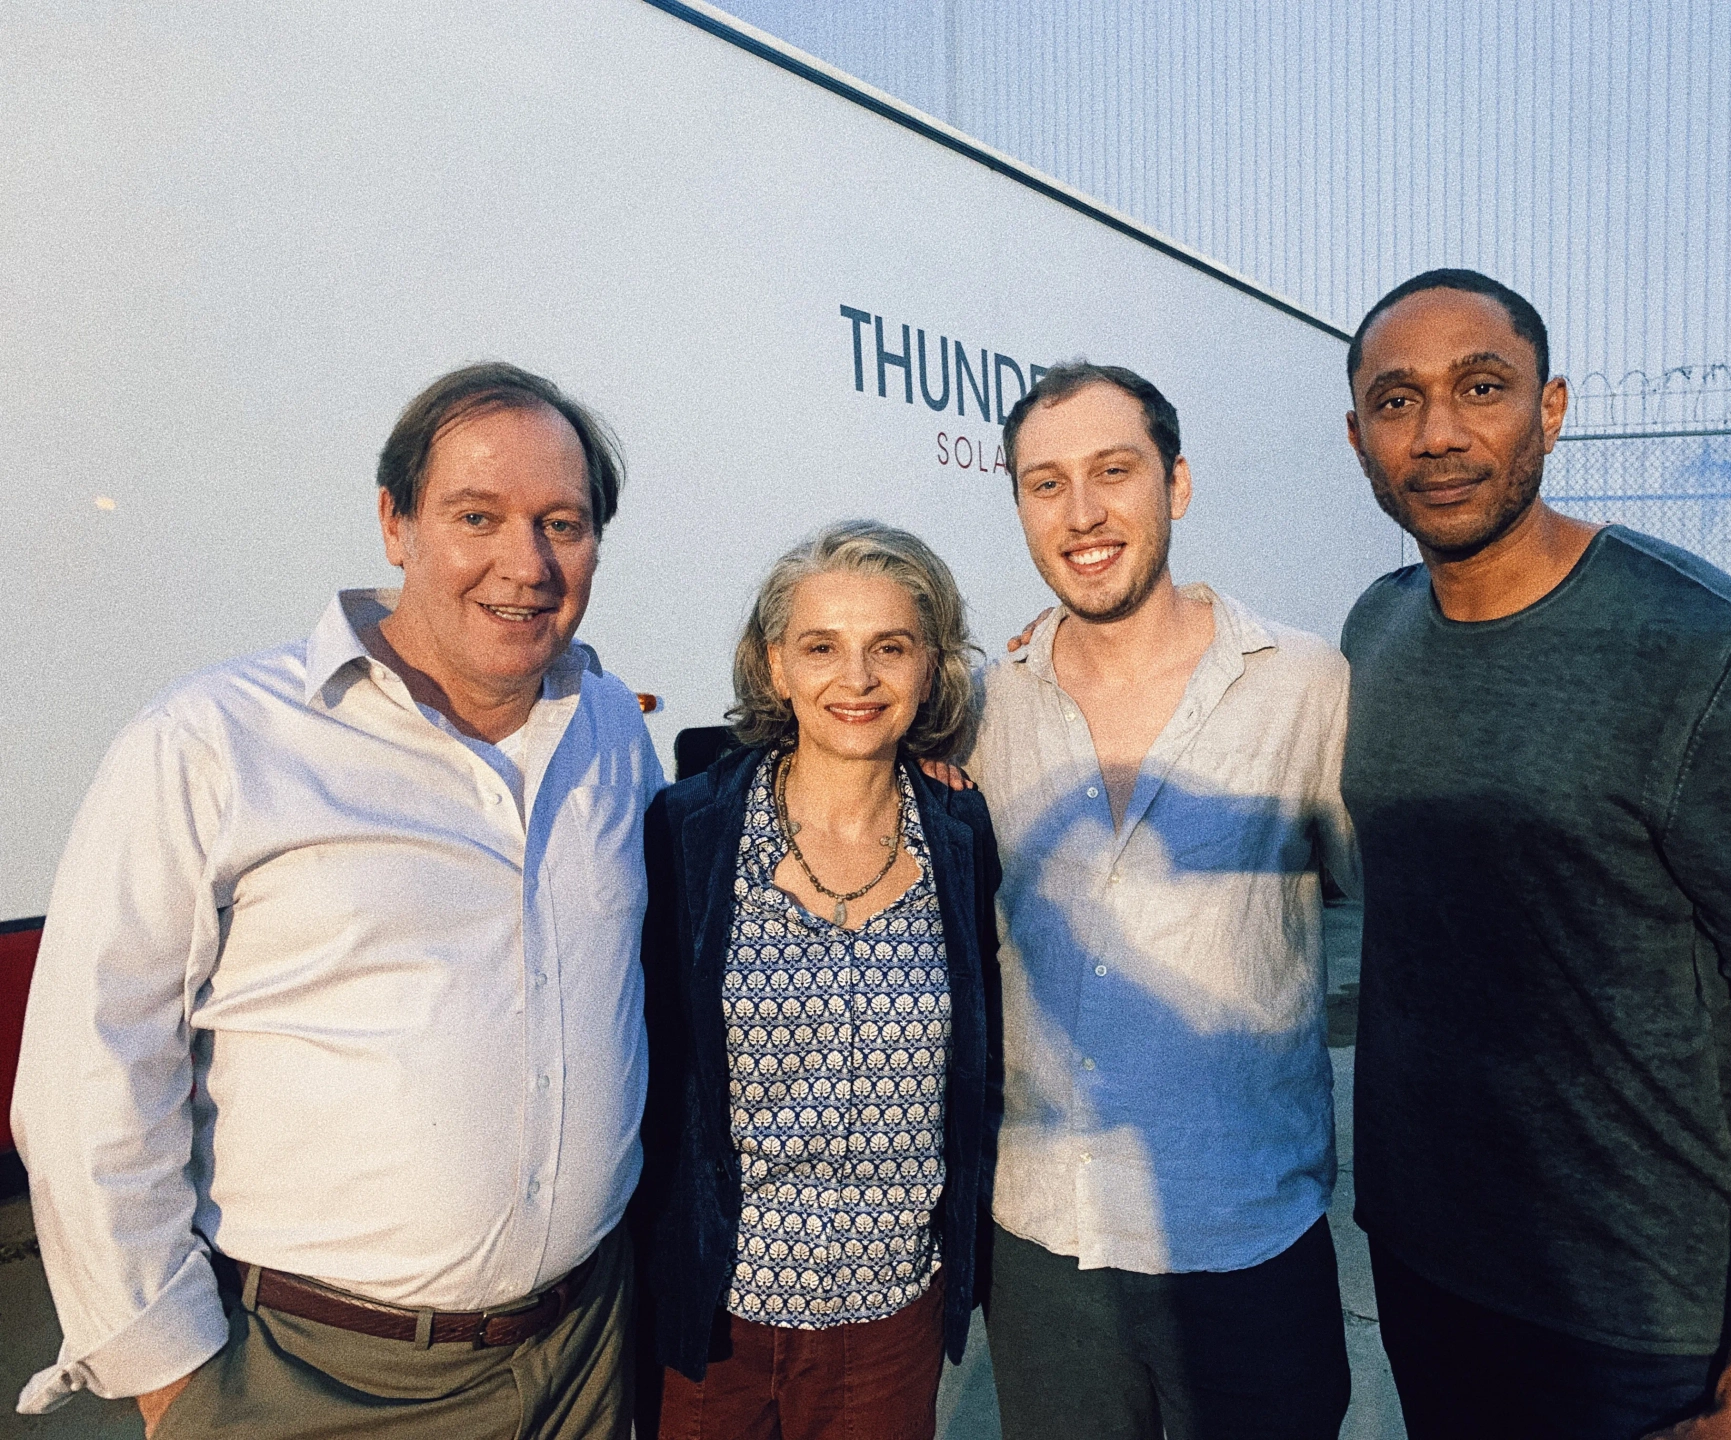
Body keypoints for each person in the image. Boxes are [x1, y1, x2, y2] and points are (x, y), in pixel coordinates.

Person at [12, 362, 665, 1439]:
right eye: (477, 516)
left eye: (564, 522)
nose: (527, 564)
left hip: (584, 1355)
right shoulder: (215, 742)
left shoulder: (605, 729)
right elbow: (92, 1074)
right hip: (317, 1382)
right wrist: (171, 1380)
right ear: (394, 522)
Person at [1339, 268, 1731, 1439]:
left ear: (1550, 408)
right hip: (1427, 1264)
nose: (1438, 433)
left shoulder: (1707, 650)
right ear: (1359, 438)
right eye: (1397, 402)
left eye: (1480, 388)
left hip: (1636, 1314)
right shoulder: (1377, 631)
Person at [967, 363, 1357, 1440]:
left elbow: (1412, 917)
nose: (1082, 514)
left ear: (1175, 485)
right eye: (1046, 484)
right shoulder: (985, 707)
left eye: (1113, 472)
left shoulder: (1305, 686)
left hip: (1245, 1238)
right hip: (1048, 1248)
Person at [636, 521, 1002, 1440]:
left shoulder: (960, 835)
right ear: (774, 667)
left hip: (890, 1324)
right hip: (717, 1317)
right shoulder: (687, 832)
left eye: (891, 647)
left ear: (930, 665)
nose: (858, 679)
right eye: (821, 648)